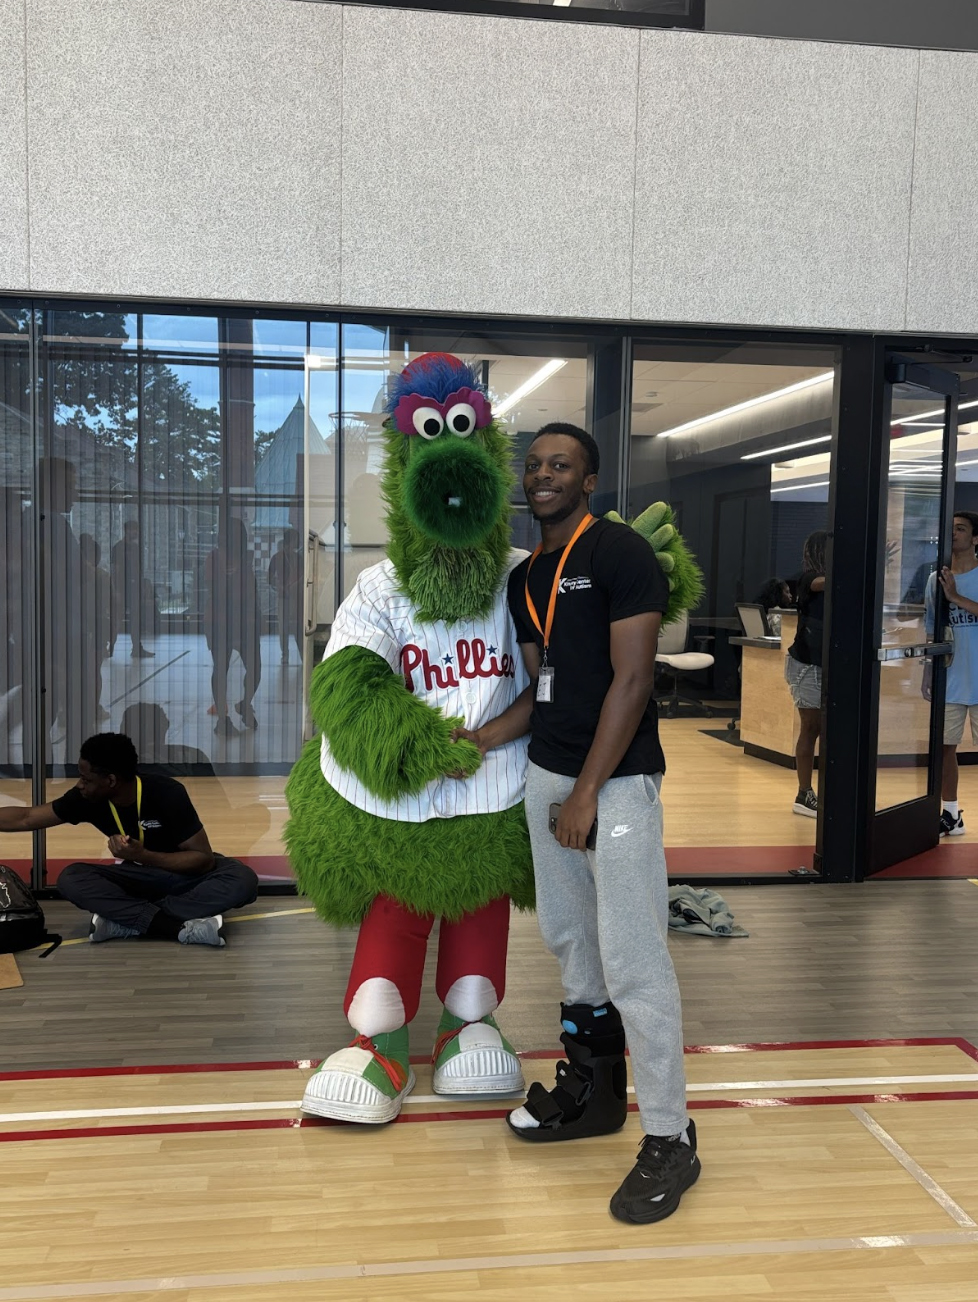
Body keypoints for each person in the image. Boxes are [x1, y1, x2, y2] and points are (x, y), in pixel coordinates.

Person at [498, 421, 699, 1226]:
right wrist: (479, 740)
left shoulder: (618, 554)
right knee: (571, 941)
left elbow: (633, 678)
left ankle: (670, 1135)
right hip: (548, 775)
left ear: (589, 481)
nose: (542, 475)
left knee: (634, 960)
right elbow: (544, 685)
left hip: (612, 788)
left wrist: (586, 791)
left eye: (561, 465)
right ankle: (595, 1092)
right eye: (536, 464)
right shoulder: (527, 577)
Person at [0, 732, 258, 945]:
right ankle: (174, 926)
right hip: (138, 880)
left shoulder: (167, 793)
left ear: (111, 780)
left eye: (86, 778)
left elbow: (202, 860)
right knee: (71, 878)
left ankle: (125, 920)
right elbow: (26, 817)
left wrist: (143, 856)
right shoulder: (86, 798)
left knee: (243, 880)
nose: (80, 785)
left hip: (187, 876)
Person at [925, 511, 978, 836]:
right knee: (945, 748)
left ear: (975, 538)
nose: (953, 534)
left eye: (960, 529)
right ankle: (951, 814)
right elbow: (933, 626)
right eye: (950, 529)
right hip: (952, 679)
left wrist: (956, 597)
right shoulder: (936, 579)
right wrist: (928, 672)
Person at [202, 515, 262, 734]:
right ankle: (222, 717)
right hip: (220, 621)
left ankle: (244, 703)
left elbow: (250, 592)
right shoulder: (214, 558)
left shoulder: (245, 560)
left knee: (255, 669)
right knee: (221, 668)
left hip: (245, 622)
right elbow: (213, 589)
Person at [785, 531, 827, 818]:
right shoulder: (807, 578)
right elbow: (820, 583)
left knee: (827, 730)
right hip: (807, 664)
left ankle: (824, 791)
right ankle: (804, 794)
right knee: (810, 728)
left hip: (827, 663)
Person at [111, 521, 154, 658]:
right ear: (126, 530)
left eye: (136, 530)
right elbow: (115, 570)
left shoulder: (136, 548)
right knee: (117, 619)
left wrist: (142, 588)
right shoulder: (118, 548)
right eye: (132, 530)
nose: (135, 533)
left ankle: (137, 647)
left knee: (136, 619)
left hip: (134, 588)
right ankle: (110, 646)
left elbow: (138, 570)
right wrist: (116, 589)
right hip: (122, 588)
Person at [268, 527, 303, 665]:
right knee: (284, 627)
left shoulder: (298, 557)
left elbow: (304, 576)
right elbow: (270, 578)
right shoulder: (277, 557)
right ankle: (285, 654)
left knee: (297, 626)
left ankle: (299, 654)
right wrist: (279, 586)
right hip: (284, 596)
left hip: (296, 596)